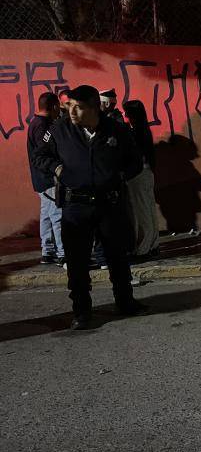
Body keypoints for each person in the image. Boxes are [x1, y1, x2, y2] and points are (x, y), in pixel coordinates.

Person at [32, 85, 146, 330]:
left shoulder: (116, 129)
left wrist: (119, 176)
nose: (72, 111)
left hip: (109, 204)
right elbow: (39, 156)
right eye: (69, 105)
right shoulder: (59, 129)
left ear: (95, 108)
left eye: (79, 107)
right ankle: (82, 311)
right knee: (77, 262)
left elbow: (135, 161)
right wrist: (57, 168)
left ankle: (125, 302)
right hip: (76, 206)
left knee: (117, 257)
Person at [27, 92, 65, 266]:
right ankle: (62, 252)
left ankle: (47, 250)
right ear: (54, 106)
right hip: (49, 178)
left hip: (40, 179)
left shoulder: (35, 123)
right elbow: (44, 153)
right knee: (57, 214)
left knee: (46, 215)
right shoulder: (43, 126)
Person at [122, 100, 160, 257]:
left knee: (141, 212)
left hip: (138, 175)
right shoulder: (144, 130)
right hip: (147, 173)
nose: (124, 115)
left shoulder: (134, 133)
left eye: (126, 113)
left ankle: (143, 249)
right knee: (149, 209)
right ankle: (153, 244)